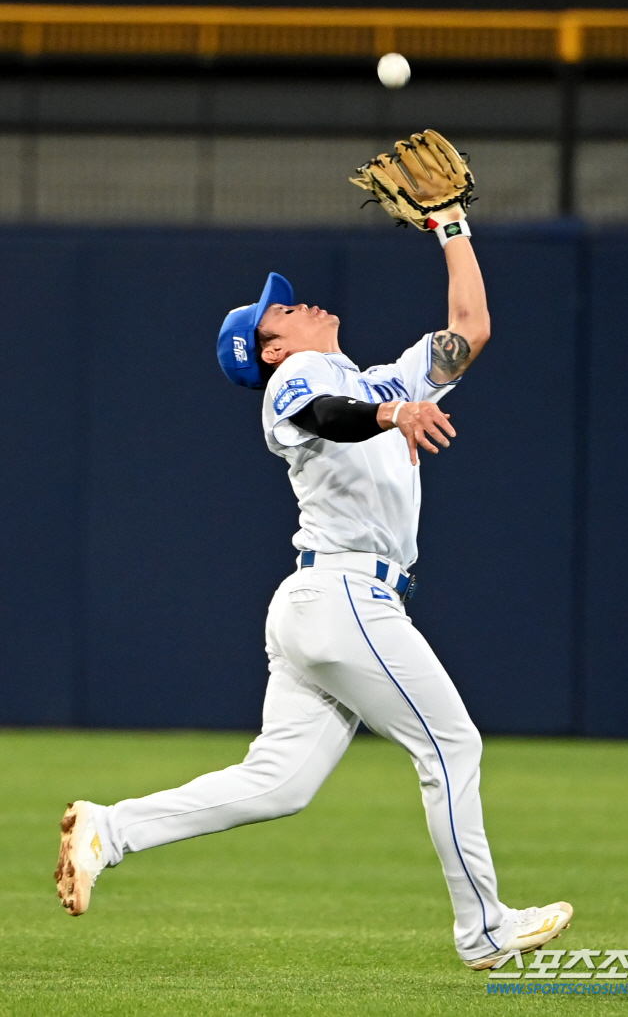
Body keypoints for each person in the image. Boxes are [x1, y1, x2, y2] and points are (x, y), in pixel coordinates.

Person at [55, 207, 573, 970]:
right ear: (270, 346)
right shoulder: (302, 376)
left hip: (319, 605)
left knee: (279, 783)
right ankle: (484, 930)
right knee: (452, 745)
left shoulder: (373, 377)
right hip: (345, 597)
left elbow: (472, 327)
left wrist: (451, 225)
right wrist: (395, 411)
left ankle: (112, 827)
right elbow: (329, 416)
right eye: (284, 310)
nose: (300, 304)